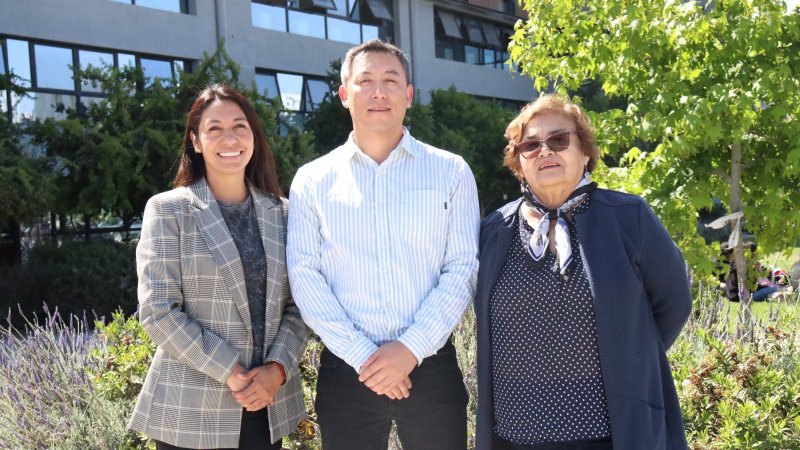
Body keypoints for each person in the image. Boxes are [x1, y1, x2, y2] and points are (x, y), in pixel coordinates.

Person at [286, 39, 480, 450]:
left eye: (391, 80)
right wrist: (365, 357)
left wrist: (409, 349)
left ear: (408, 95)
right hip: (346, 370)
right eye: (365, 81)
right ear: (344, 95)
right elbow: (305, 277)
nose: (378, 91)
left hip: (431, 367)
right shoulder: (312, 180)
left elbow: (462, 267)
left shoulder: (451, 171)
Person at [475, 95, 692, 450]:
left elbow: (675, 303)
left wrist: (628, 355)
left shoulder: (628, 217)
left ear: (585, 152)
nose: (545, 151)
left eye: (559, 140)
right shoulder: (494, 230)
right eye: (530, 145)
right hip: (515, 435)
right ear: (518, 163)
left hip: (611, 433)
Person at [128, 84, 309, 449]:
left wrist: (276, 370)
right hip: (191, 408)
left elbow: (302, 305)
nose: (230, 138)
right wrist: (234, 372)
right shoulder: (168, 210)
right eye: (214, 128)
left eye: (240, 126)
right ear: (196, 141)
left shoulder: (285, 213)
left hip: (266, 404)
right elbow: (158, 310)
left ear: (254, 136)